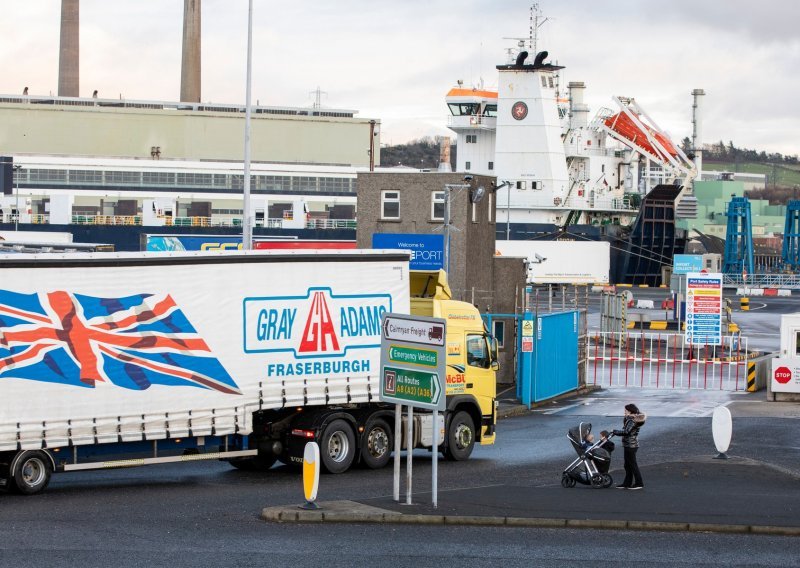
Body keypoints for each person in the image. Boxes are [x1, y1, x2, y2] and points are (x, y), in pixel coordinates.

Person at [613, 403, 646, 490]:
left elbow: (627, 431)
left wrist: (615, 432)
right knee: (627, 465)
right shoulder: (631, 419)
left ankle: (639, 483)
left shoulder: (632, 420)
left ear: (630, 411)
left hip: (631, 445)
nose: (624, 412)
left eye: (625, 410)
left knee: (632, 465)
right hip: (629, 444)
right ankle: (627, 483)